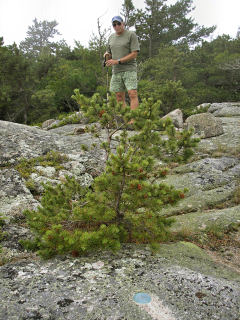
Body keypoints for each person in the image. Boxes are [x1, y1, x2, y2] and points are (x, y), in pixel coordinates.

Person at [104, 16, 140, 111]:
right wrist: (107, 55)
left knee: (132, 93)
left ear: (123, 24)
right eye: (114, 25)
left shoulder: (131, 35)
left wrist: (118, 61)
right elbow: (109, 53)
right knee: (119, 96)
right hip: (116, 71)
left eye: (118, 23)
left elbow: (134, 54)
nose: (116, 26)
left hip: (129, 69)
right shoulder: (111, 37)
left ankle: (133, 120)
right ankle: (125, 119)